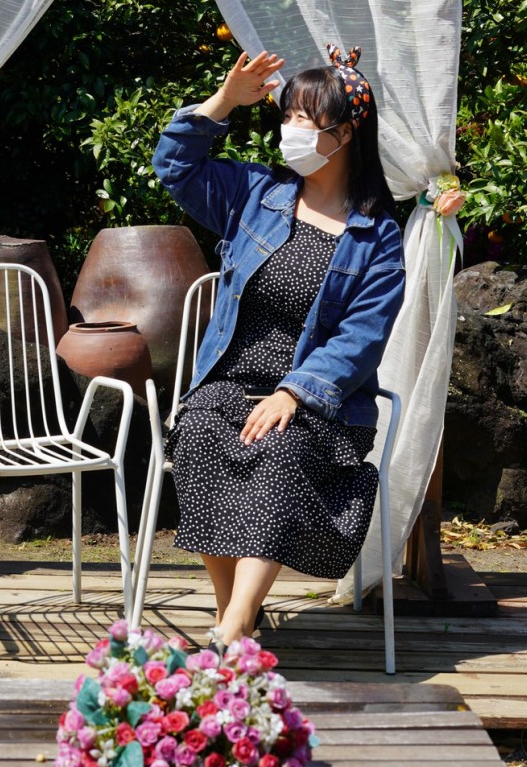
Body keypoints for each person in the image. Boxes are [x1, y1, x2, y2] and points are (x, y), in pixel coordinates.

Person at [151, 45, 405, 650]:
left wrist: (295, 391)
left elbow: (362, 336)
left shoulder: (378, 236)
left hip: (319, 403)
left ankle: (233, 628)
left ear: (344, 135)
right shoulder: (254, 193)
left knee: (280, 448)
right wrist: (222, 103)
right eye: (285, 116)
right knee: (202, 435)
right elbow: (175, 168)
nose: (288, 130)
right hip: (230, 382)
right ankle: (235, 626)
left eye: (303, 120)